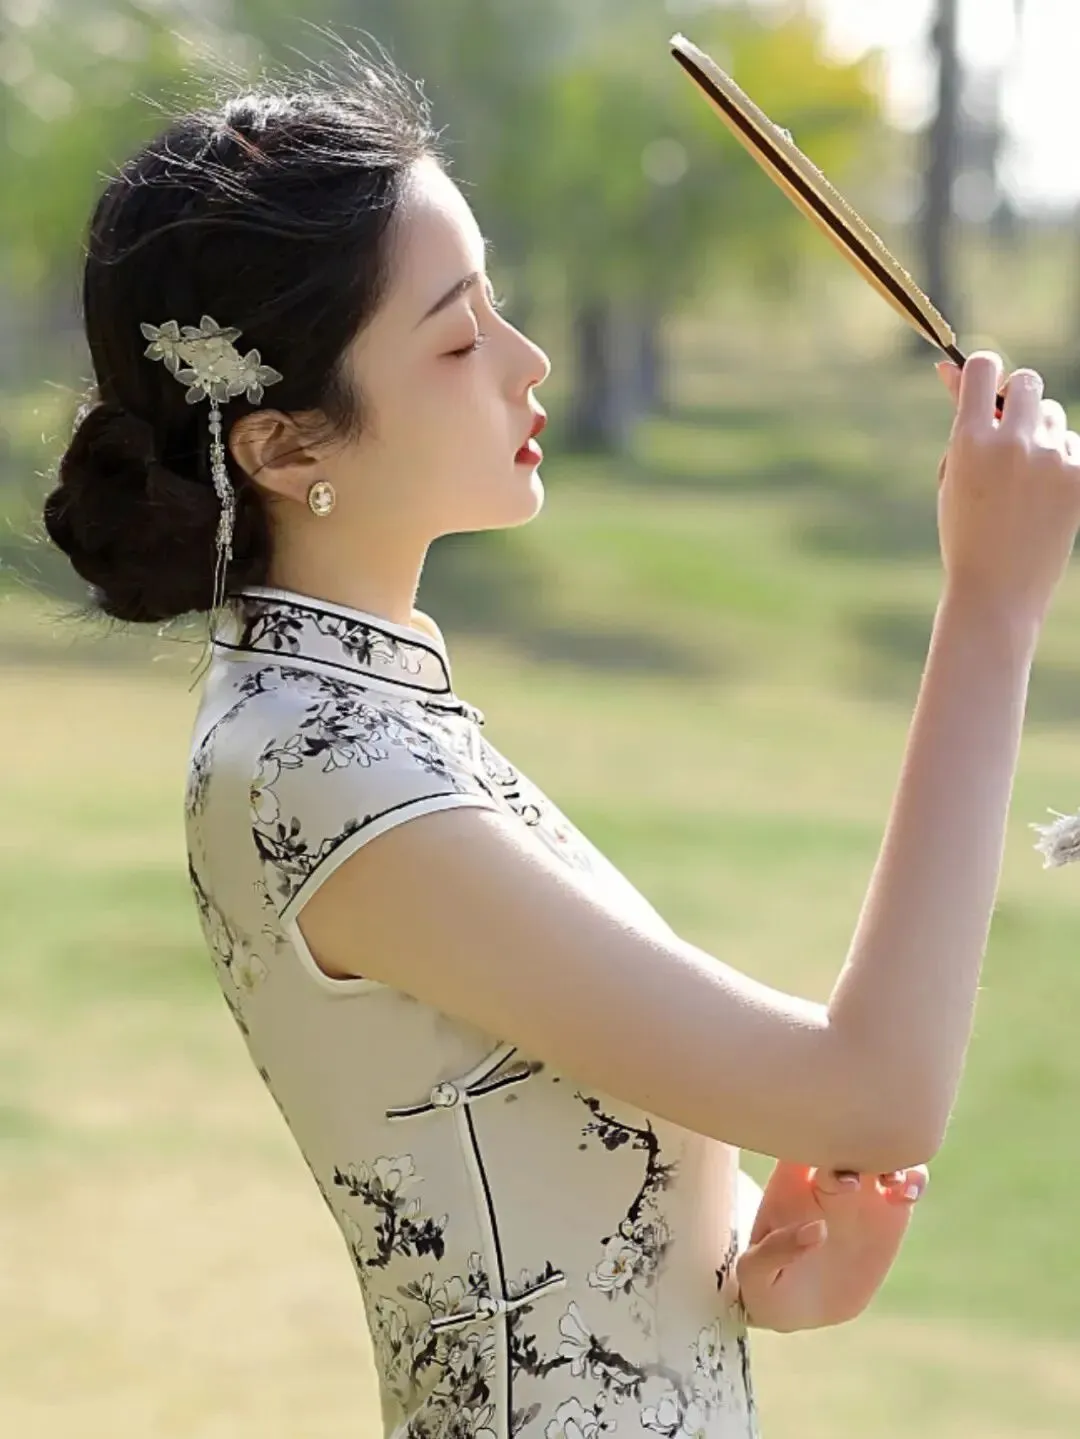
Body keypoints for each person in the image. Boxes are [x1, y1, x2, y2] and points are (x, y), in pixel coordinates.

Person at [41, 45, 1080, 1439]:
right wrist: (993, 609)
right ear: (286, 450)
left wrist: (743, 1263)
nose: (527, 363)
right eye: (458, 338)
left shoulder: (367, 716)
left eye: (499, 305)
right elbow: (874, 1091)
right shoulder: (318, 767)